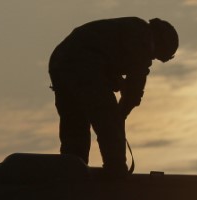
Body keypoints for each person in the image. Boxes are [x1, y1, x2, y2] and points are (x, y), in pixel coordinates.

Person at [48, 17, 178, 177]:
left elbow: (112, 68)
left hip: (60, 62)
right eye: (155, 56)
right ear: (159, 43)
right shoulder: (143, 36)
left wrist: (120, 104)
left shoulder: (126, 31)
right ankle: (116, 173)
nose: (151, 60)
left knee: (75, 125)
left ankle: (72, 172)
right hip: (83, 63)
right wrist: (120, 115)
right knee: (107, 120)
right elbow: (134, 87)